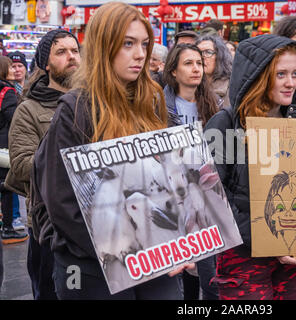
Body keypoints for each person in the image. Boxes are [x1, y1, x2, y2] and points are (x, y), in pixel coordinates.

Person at [31, 2, 192, 299]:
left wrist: (185, 238)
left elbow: (177, 179)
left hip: (155, 261)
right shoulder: (76, 109)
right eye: (128, 43)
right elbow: (62, 203)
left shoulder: (154, 102)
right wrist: (124, 250)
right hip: (93, 265)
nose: (140, 54)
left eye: (144, 43)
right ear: (104, 46)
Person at [204, 34, 296, 300]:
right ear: (259, 76)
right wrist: (267, 240)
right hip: (243, 257)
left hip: (293, 254)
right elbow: (212, 199)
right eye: (281, 74)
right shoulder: (225, 124)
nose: (291, 83)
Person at [5, 29, 81, 300]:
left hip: (95, 224)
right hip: (49, 228)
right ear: (45, 64)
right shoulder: (29, 109)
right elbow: (23, 165)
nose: (71, 57)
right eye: (61, 52)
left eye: (75, 51)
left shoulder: (96, 102)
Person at [163, 43, 219, 299]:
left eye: (199, 63)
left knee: (210, 279)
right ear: (173, 71)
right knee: (179, 277)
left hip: (206, 200)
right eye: (188, 63)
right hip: (172, 199)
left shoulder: (214, 104)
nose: (196, 68)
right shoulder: (159, 105)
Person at [0, 56, 28, 245]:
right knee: (7, 186)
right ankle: (8, 228)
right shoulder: (8, 91)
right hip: (4, 145)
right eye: (10, 66)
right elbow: (14, 118)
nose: (14, 70)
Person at [196, 34, 233, 109]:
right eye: (198, 52)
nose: (202, 57)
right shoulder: (190, 86)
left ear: (220, 56)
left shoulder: (232, 87)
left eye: (208, 52)